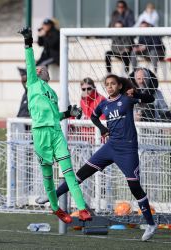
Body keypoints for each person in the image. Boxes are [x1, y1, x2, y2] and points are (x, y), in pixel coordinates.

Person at [40, 75, 158, 241]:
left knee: (134, 186)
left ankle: (151, 224)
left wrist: (137, 93)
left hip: (127, 149)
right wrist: (102, 129)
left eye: (113, 84)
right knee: (80, 174)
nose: (109, 87)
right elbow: (94, 117)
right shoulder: (103, 104)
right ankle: (51, 195)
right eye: (107, 84)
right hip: (110, 147)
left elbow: (150, 98)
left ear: (119, 86)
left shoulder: (127, 99)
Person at [18, 27, 91, 224]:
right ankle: (55, 207)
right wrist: (28, 40)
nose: (44, 69)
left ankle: (82, 208)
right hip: (41, 134)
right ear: (38, 72)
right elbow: (29, 62)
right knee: (48, 177)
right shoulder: (33, 84)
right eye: (41, 68)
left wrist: (68, 113)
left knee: (69, 172)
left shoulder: (52, 92)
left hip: (56, 133)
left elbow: (53, 116)